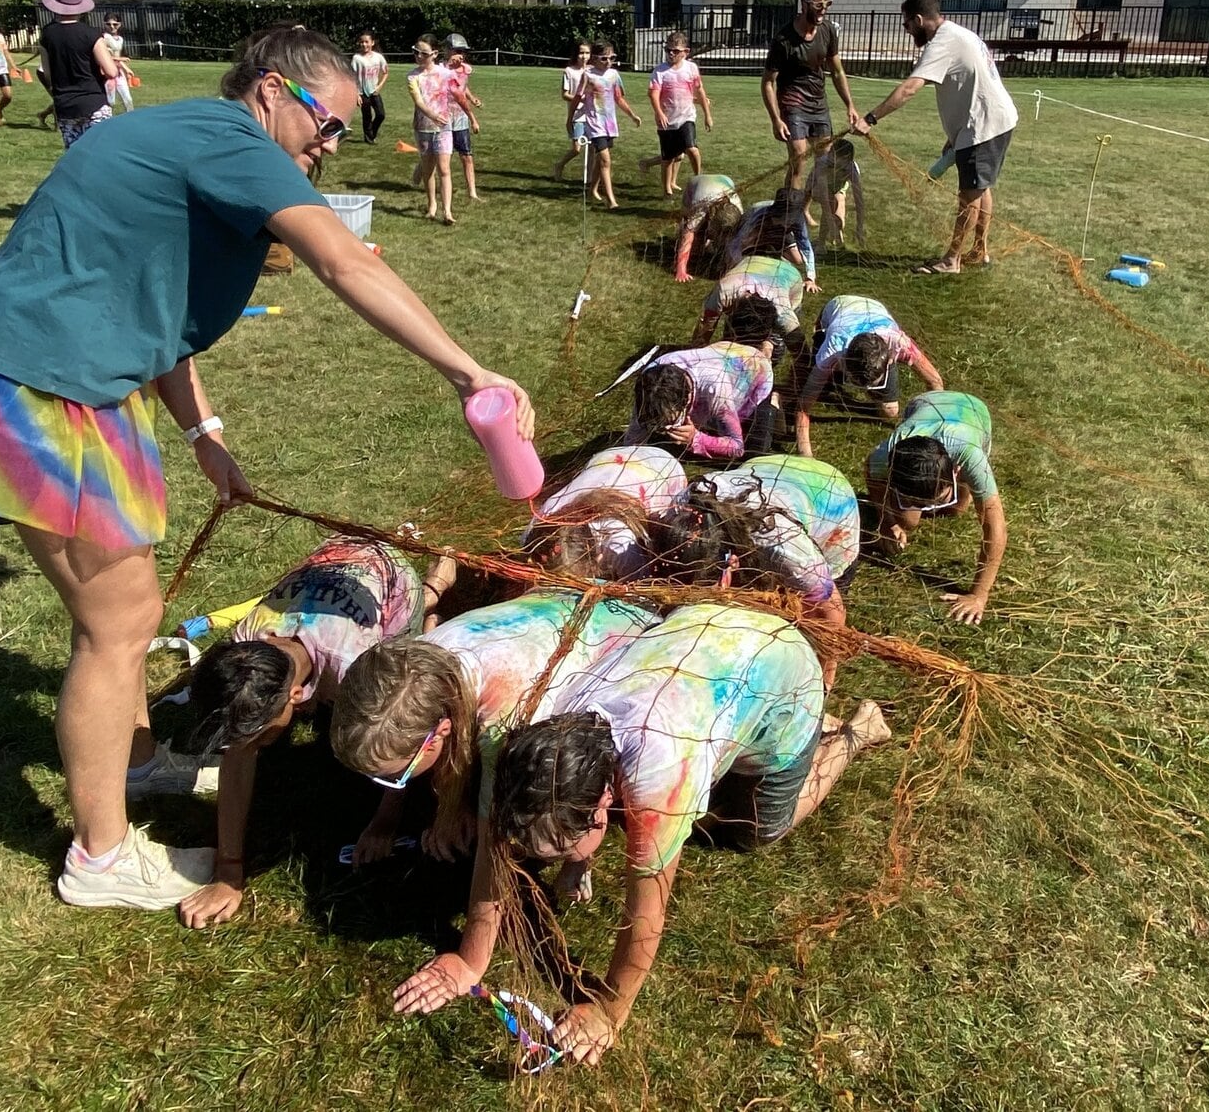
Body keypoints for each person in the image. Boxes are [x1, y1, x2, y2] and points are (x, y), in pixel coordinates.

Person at [0, 24, 534, 910]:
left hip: (50, 375)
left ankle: (136, 762)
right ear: (269, 89)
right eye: (323, 124)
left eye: (341, 130)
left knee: (124, 617)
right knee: (120, 625)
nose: (329, 144)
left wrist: (203, 434)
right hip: (34, 382)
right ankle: (101, 859)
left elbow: (158, 304)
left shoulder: (189, 140)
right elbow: (341, 259)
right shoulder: (230, 139)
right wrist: (470, 373)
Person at [390, 603, 890, 1064]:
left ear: (604, 806)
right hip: (703, 634)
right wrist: (470, 961)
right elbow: (495, 847)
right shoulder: (539, 739)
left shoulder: (658, 780)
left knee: (754, 831)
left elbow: (646, 911)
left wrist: (608, 1012)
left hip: (783, 672)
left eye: (561, 847)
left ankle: (854, 731)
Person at [174, 534, 455, 928]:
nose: (248, 746)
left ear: (295, 694)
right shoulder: (245, 640)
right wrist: (228, 870)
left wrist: (385, 821)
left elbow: (400, 741)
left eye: (259, 734)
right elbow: (238, 754)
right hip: (338, 558)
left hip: (389, 576)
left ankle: (432, 590)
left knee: (385, 696)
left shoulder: (354, 664)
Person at [330, 590, 661, 863]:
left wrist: (468, 812)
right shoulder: (417, 669)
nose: (390, 783)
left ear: (440, 732)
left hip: (639, 642)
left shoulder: (510, 722)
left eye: (396, 777)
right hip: (577, 601)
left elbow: (495, 836)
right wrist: (385, 822)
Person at [850, 0, 1019, 274]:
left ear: (918, 19)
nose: (906, 31)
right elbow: (970, 84)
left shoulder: (941, 43)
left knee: (970, 195)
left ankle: (952, 260)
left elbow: (910, 88)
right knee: (981, 187)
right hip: (993, 121)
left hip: (984, 126)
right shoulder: (958, 33)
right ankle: (979, 250)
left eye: (906, 25)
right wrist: (955, 136)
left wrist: (871, 118)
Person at [670, 455, 859, 656]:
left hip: (831, 493)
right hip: (765, 466)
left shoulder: (790, 552)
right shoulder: (680, 512)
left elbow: (831, 615)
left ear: (732, 562)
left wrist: (824, 681)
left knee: (807, 623)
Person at [865, 391, 1006, 625]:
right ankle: (919, 504)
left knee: (957, 509)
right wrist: (887, 523)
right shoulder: (886, 455)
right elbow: (872, 475)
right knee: (909, 521)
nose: (926, 508)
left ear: (956, 471)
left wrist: (978, 595)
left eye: (933, 500)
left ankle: (958, 493)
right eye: (917, 502)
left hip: (973, 412)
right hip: (923, 403)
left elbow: (996, 525)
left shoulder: (970, 454)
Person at [792, 295, 943, 456]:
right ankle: (832, 377)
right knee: (820, 389)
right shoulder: (831, 350)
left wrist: (931, 429)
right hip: (837, 306)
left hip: (874, 309)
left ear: (889, 360)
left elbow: (935, 381)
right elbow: (803, 406)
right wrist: (806, 455)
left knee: (890, 412)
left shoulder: (899, 343)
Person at [523, 445, 689, 582]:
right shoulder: (542, 522)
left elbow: (644, 586)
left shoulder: (620, 544)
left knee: (662, 533)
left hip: (663, 470)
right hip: (608, 460)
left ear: (595, 560)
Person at [762, 0, 856, 188]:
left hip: (818, 103)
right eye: (818, 5)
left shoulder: (828, 30)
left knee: (824, 160)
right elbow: (768, 82)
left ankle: (803, 207)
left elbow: (837, 71)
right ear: (804, 5)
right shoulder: (784, 40)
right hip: (793, 102)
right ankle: (790, 211)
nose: (823, 10)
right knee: (799, 159)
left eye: (827, 4)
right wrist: (776, 119)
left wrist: (849, 105)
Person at [621, 343, 775, 461]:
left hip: (755, 374)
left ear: (687, 399)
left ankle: (774, 402)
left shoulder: (715, 390)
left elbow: (736, 447)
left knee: (757, 452)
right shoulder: (650, 382)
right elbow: (635, 435)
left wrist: (695, 439)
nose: (666, 429)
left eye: (671, 421)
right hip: (721, 353)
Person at [35, 0, 121, 150]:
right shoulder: (91, 34)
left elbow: (48, 75)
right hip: (94, 103)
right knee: (100, 154)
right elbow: (111, 71)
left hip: (65, 107)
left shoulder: (47, 35)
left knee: (75, 159)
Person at [694, 251, 807, 359]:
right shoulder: (723, 291)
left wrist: (767, 348)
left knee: (773, 348)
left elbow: (801, 353)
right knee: (731, 344)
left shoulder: (783, 313)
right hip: (750, 263)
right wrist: (696, 352)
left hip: (789, 275)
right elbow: (706, 326)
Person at [638, 30, 712, 195]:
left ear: (686, 52)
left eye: (675, 51)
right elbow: (654, 94)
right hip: (667, 121)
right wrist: (659, 113)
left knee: (692, 149)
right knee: (669, 158)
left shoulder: (691, 68)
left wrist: (707, 115)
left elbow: (699, 91)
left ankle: (697, 179)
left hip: (687, 117)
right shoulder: (660, 72)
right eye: (668, 50)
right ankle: (667, 190)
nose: (671, 53)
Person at [574, 42, 642, 210]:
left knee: (600, 160)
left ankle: (592, 190)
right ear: (595, 59)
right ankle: (611, 200)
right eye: (604, 58)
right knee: (606, 160)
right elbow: (577, 97)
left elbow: (619, 98)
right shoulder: (588, 76)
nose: (608, 61)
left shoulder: (614, 75)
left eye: (612, 58)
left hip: (609, 124)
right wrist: (570, 119)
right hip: (594, 123)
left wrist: (632, 115)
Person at [726, 186, 818, 289]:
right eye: (784, 219)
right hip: (756, 232)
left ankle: (770, 248)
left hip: (779, 234)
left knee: (798, 259)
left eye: (789, 221)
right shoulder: (757, 215)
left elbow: (805, 245)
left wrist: (810, 278)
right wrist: (734, 268)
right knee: (742, 244)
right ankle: (756, 248)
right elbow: (737, 240)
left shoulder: (798, 219)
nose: (787, 223)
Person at [405, 38, 456, 225]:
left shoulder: (445, 73)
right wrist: (433, 115)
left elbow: (460, 86)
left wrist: (461, 66)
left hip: (444, 128)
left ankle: (447, 211)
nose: (419, 56)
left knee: (444, 169)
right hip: (423, 127)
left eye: (424, 54)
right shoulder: (413, 76)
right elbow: (418, 101)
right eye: (416, 52)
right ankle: (432, 204)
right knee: (428, 169)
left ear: (434, 54)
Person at [672, 171, 743, 283]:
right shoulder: (700, 206)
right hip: (697, 186)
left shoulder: (737, 208)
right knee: (695, 247)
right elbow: (688, 233)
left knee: (728, 238)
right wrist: (681, 269)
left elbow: (738, 237)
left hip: (725, 181)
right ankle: (703, 239)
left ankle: (711, 242)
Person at [442, 32, 485, 202]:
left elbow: (462, 88)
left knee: (466, 155)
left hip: (460, 118)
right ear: (447, 51)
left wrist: (472, 98)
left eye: (462, 51)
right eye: (456, 51)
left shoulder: (465, 70)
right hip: (443, 117)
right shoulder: (441, 69)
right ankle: (422, 167)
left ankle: (472, 193)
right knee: (440, 155)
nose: (460, 55)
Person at [807, 137, 865, 250]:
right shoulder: (822, 163)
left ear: (848, 159)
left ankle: (836, 239)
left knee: (839, 221)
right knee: (831, 203)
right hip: (816, 186)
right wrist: (830, 223)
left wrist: (860, 227)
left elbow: (859, 200)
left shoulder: (851, 168)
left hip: (838, 187)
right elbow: (824, 199)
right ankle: (821, 243)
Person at [549, 41, 594, 180]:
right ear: (576, 54)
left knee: (592, 148)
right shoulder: (569, 71)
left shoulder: (593, 70)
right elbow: (565, 94)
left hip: (591, 115)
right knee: (576, 148)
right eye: (581, 53)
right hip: (576, 115)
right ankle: (560, 165)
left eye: (587, 53)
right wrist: (579, 99)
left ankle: (590, 178)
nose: (584, 56)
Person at [351, 31, 389, 144]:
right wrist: (357, 94)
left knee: (381, 114)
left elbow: (386, 72)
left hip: (374, 91)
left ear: (372, 43)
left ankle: (371, 133)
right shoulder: (356, 58)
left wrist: (379, 86)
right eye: (362, 42)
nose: (364, 44)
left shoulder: (379, 57)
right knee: (366, 116)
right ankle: (369, 138)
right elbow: (352, 77)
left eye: (366, 42)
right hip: (362, 92)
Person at [101, 15, 134, 114]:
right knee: (110, 101)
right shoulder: (104, 38)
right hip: (107, 73)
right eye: (109, 24)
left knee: (128, 99)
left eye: (115, 24)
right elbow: (103, 56)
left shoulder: (120, 39)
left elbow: (118, 58)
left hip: (118, 73)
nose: (112, 27)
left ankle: (131, 119)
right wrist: (119, 59)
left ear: (120, 24)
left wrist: (126, 69)